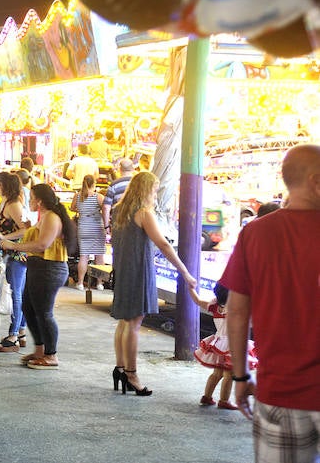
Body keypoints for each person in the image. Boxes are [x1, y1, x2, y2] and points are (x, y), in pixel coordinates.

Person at [220, 144, 320, 461]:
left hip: (280, 391)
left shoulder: (256, 234)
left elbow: (236, 313)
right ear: (316, 181)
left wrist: (239, 375)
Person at [110, 171, 196, 395]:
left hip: (123, 270)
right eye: (154, 189)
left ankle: (120, 368)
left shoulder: (119, 210)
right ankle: (131, 373)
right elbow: (164, 245)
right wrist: (185, 272)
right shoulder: (144, 212)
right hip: (139, 270)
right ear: (146, 190)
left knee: (125, 322)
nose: (156, 193)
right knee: (134, 324)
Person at [0, 184, 75, 370]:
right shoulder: (44, 217)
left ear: (39, 201)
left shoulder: (51, 217)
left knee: (44, 312)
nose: (29, 201)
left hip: (49, 269)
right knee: (29, 309)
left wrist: (13, 246)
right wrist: (28, 229)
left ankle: (51, 354)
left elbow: (42, 244)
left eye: (31, 197)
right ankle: (40, 350)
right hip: (38, 268)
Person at [188, 283, 257, 410]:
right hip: (232, 344)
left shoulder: (214, 306)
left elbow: (197, 300)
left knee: (216, 373)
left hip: (217, 342)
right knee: (228, 374)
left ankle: (206, 397)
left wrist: (190, 287)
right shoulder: (239, 309)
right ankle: (224, 401)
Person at [0, 172, 29, 352]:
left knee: (16, 293)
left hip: (17, 254)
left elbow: (25, 230)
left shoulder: (14, 205)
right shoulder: (4, 202)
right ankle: (20, 332)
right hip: (8, 252)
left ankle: (14, 334)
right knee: (16, 291)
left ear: (3, 185)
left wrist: (6, 238)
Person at [71, 175, 106, 291]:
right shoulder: (98, 197)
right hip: (97, 227)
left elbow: (72, 208)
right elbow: (105, 208)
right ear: (94, 184)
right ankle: (99, 283)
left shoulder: (77, 196)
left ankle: (80, 283)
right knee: (99, 256)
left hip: (83, 227)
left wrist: (81, 210)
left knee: (84, 256)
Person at [102, 158, 135, 229]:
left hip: (117, 222)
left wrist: (106, 226)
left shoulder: (114, 185)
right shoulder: (139, 184)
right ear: (133, 169)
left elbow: (106, 207)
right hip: (135, 222)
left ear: (120, 169)